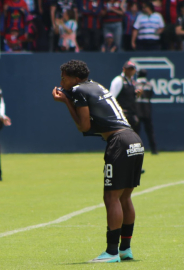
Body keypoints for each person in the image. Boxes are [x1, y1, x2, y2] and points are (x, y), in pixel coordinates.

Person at [52, 60, 144, 263]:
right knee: (125, 197)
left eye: (64, 78)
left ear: (75, 79)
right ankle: (125, 249)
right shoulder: (96, 85)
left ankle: (111, 252)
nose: (61, 81)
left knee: (111, 198)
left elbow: (84, 126)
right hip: (134, 139)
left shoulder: (77, 90)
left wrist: (66, 101)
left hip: (119, 142)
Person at [109, 61, 141, 133]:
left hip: (131, 115)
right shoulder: (118, 80)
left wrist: (136, 95)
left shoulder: (132, 82)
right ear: (124, 69)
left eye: (132, 69)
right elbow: (111, 98)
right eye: (128, 69)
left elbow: (129, 98)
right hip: (122, 116)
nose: (130, 71)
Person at [135, 69, 158, 155]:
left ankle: (137, 151)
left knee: (136, 132)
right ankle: (154, 150)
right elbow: (151, 95)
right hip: (147, 110)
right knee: (150, 132)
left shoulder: (135, 84)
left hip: (137, 110)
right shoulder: (149, 84)